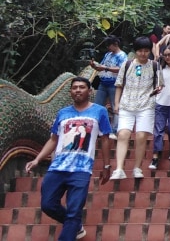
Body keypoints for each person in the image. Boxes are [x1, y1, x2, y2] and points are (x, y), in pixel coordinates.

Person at [26, 77, 112, 241]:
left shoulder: (99, 111)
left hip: (81, 169)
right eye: (74, 88)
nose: (78, 90)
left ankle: (71, 227)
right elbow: (53, 139)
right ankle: (75, 226)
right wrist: (37, 159)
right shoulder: (63, 113)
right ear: (70, 92)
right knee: (48, 205)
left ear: (89, 91)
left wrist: (107, 165)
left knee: (74, 211)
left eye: (82, 87)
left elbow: (105, 139)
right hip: (58, 167)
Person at [110, 37, 162, 179]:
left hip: (146, 105)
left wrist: (158, 89)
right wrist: (117, 103)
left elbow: (160, 84)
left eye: (146, 51)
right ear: (135, 51)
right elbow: (119, 85)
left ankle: (137, 168)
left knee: (141, 136)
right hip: (127, 104)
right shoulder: (127, 65)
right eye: (140, 51)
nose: (143, 54)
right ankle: (119, 168)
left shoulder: (155, 66)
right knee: (123, 134)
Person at [89, 35, 127, 140]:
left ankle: (114, 131)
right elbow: (102, 66)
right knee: (97, 106)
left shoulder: (122, 56)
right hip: (103, 83)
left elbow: (121, 69)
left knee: (116, 107)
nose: (108, 48)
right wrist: (95, 66)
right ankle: (96, 129)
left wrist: (105, 68)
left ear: (115, 44)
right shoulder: (108, 54)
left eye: (109, 45)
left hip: (114, 84)